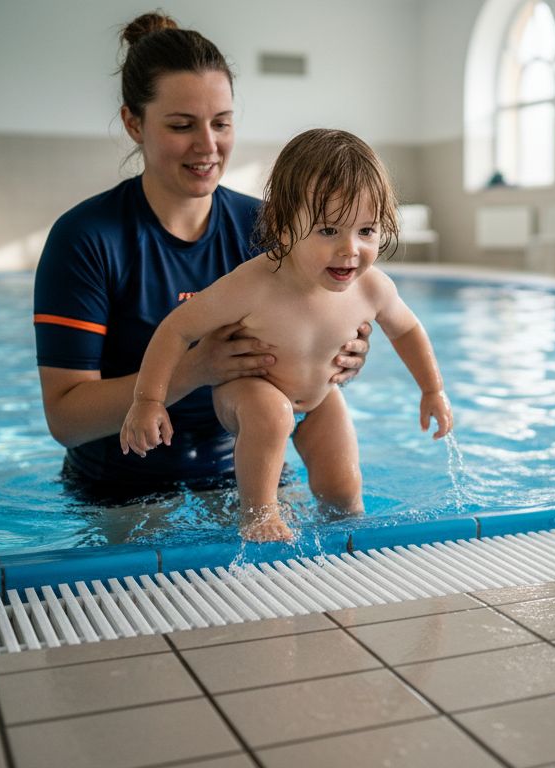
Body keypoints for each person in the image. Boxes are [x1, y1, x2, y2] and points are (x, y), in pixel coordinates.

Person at [33, 12, 370, 500]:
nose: (207, 145)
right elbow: (65, 418)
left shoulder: (271, 229)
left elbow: (314, 358)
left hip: (250, 476)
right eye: (181, 125)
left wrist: (344, 353)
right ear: (133, 123)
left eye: (222, 123)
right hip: (123, 486)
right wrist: (194, 369)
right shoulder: (86, 239)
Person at [120, 128, 454, 542]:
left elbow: (408, 331)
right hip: (246, 390)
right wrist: (148, 400)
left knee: (344, 487)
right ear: (281, 225)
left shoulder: (372, 288)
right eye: (329, 231)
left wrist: (432, 390)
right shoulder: (254, 284)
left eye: (366, 231)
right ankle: (258, 513)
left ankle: (345, 528)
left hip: (318, 397)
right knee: (272, 413)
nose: (350, 249)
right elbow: (177, 327)